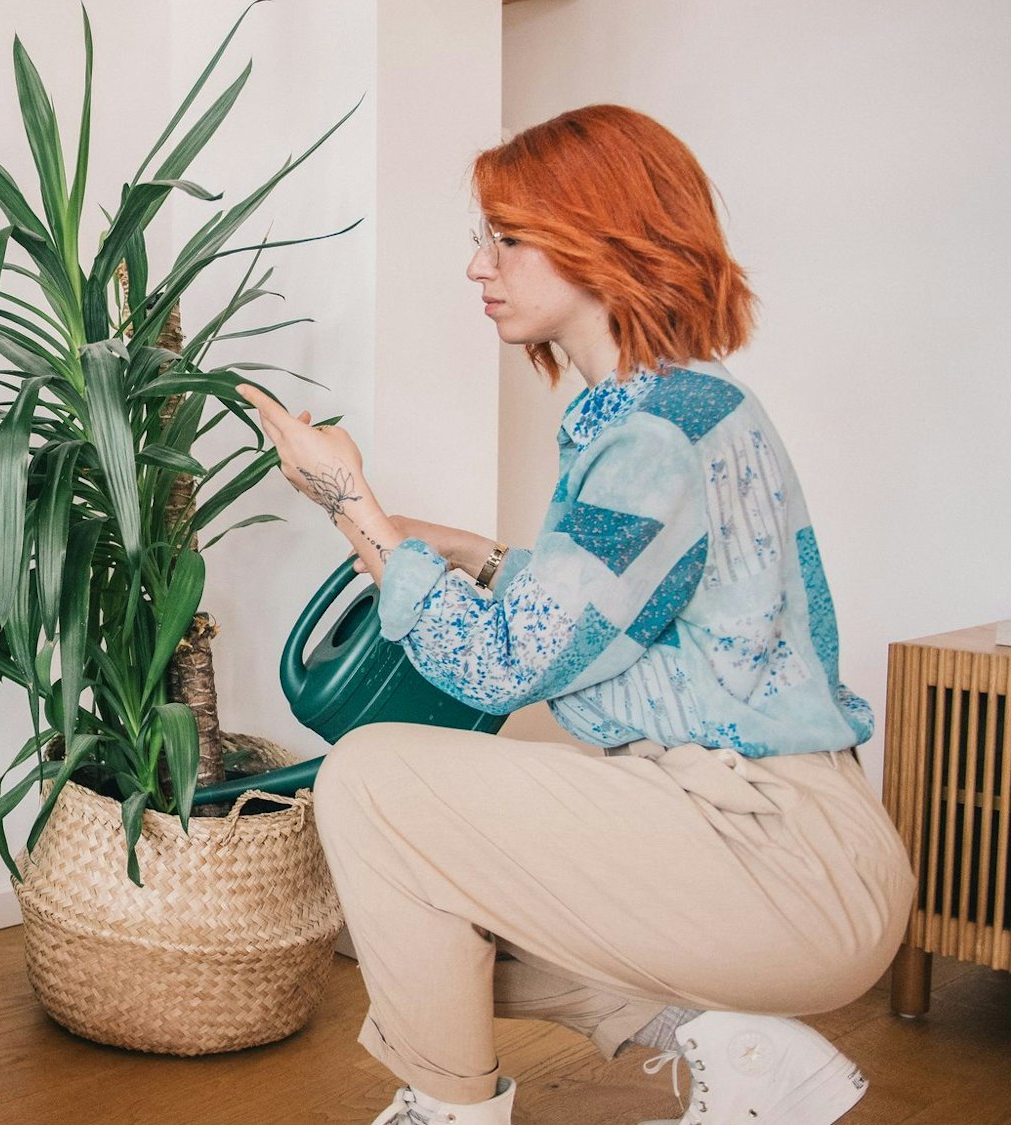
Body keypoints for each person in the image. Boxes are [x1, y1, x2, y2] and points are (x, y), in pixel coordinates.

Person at [238, 104, 913, 1125]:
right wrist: (457, 549)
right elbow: (621, 613)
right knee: (401, 905)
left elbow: (503, 667)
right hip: (763, 844)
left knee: (371, 776)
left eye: (503, 239)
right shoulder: (675, 407)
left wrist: (348, 503)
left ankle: (448, 1109)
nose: (477, 265)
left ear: (607, 242)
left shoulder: (654, 432)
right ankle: (730, 1046)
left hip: (781, 860)